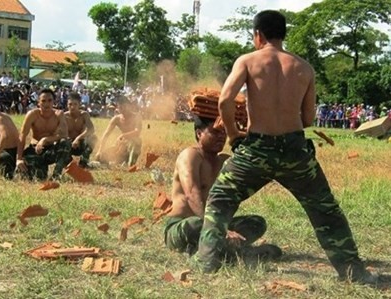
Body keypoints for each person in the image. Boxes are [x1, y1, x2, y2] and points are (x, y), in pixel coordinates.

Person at [192, 10, 376, 284]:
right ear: (283, 35)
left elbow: (225, 101)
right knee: (325, 210)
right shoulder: (304, 68)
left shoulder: (247, 61)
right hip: (295, 150)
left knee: (220, 200)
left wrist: (233, 134)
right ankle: (353, 271)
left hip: (256, 149)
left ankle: (207, 262)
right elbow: (308, 118)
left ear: (258, 35)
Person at [165, 116, 277, 261]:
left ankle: (219, 249)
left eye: (224, 132)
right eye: (215, 132)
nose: (222, 136)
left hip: (217, 225)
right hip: (183, 226)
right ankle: (226, 251)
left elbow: (256, 175)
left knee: (257, 222)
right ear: (199, 134)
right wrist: (217, 228)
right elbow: (192, 194)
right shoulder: (190, 155)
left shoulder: (225, 161)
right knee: (194, 224)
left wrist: (252, 142)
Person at [16, 88, 71, 181]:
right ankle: (41, 168)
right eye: (43, 101)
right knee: (37, 177)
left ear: (54, 102)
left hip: (50, 150)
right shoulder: (32, 114)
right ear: (38, 102)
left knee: (65, 143)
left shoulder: (59, 114)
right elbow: (22, 136)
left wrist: (45, 140)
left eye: (50, 100)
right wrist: (19, 158)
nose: (46, 104)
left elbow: (65, 135)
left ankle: (56, 175)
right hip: (35, 150)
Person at [95, 95, 142, 167]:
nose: (123, 109)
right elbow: (106, 134)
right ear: (117, 108)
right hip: (121, 146)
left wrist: (123, 135)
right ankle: (120, 161)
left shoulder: (137, 116)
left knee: (136, 141)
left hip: (133, 144)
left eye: (125, 107)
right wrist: (99, 151)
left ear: (129, 106)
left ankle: (130, 164)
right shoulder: (116, 119)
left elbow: (137, 132)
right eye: (120, 107)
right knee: (100, 157)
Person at [64, 92, 97, 168]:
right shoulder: (64, 116)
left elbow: (91, 129)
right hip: (69, 144)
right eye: (70, 104)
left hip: (81, 143)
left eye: (75, 104)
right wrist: (70, 140)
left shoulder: (84, 115)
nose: (72, 107)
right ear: (67, 104)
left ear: (79, 104)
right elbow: (60, 133)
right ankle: (70, 163)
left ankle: (83, 163)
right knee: (61, 143)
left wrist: (78, 138)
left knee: (93, 138)